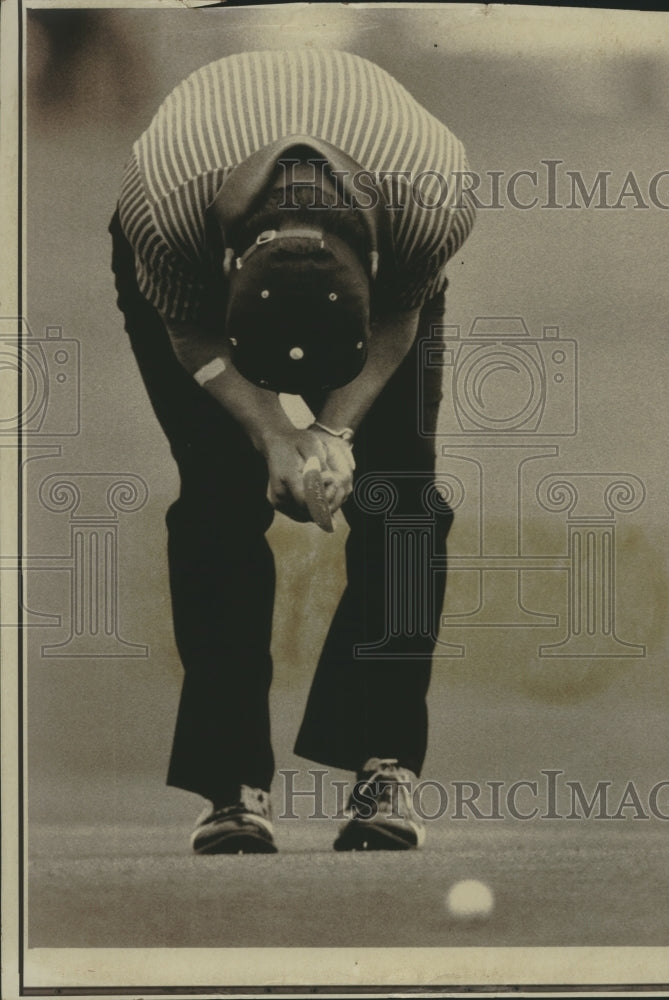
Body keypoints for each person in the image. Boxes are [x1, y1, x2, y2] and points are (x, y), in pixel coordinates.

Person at [110, 48, 475, 854]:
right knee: (217, 499)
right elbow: (190, 333)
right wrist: (272, 432)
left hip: (389, 258)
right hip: (193, 279)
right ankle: (229, 786)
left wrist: (336, 434)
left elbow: (398, 322)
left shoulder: (429, 202)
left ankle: (384, 761)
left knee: (404, 504)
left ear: (372, 262)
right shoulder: (165, 215)